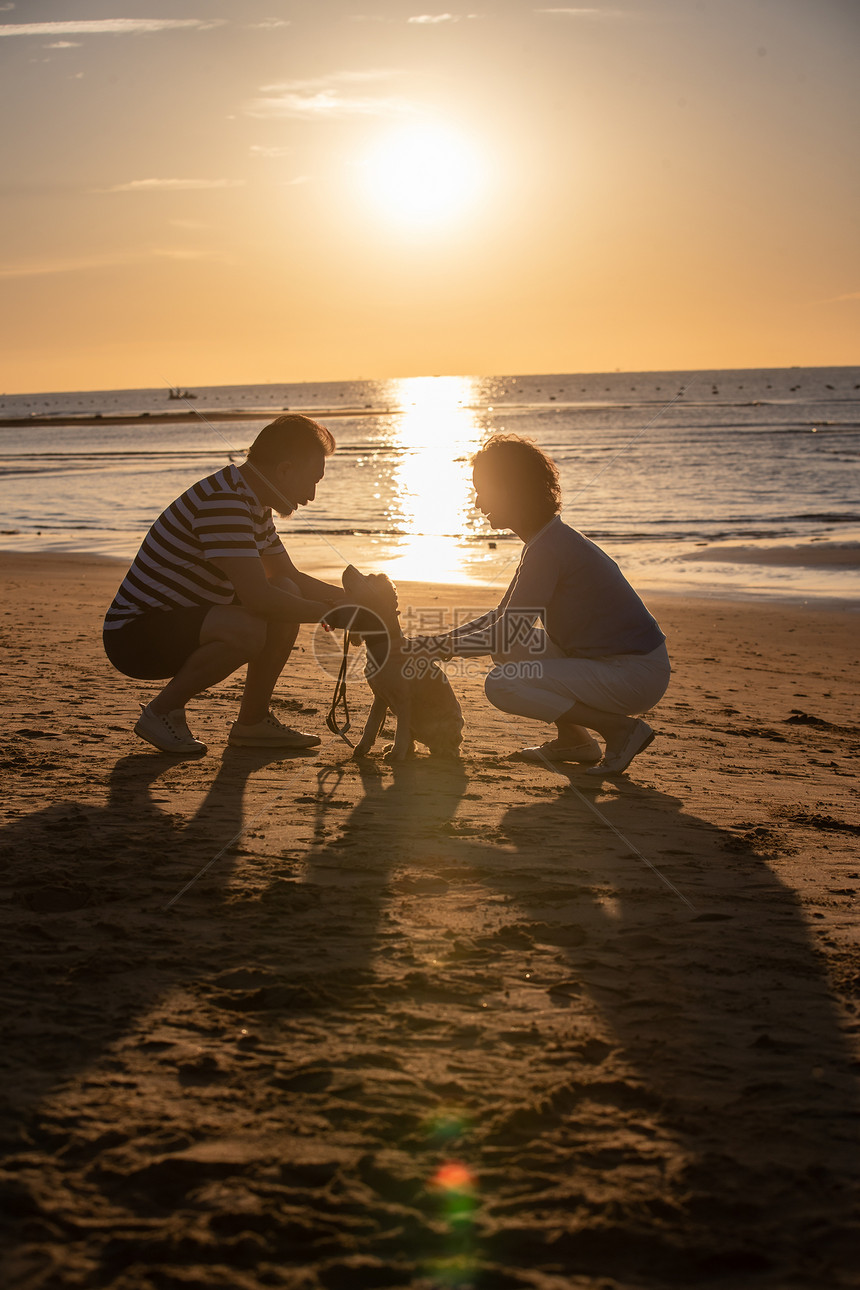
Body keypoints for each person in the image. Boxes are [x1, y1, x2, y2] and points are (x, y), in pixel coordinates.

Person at [408, 434, 670, 776]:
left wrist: (439, 648)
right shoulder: (545, 541)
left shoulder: (548, 548)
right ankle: (575, 741)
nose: (477, 502)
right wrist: (432, 644)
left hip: (632, 673)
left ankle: (619, 730)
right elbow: (501, 621)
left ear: (512, 490)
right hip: (614, 663)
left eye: (483, 490)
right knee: (510, 650)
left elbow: (503, 633)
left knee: (502, 684)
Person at [103, 414, 354, 755]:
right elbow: (258, 598)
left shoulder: (251, 501)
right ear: (284, 470)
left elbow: (289, 578)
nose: (311, 495)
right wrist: (337, 614)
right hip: (133, 635)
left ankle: (252, 723)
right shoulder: (224, 501)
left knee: (287, 591)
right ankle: (161, 712)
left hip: (183, 620)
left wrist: (355, 603)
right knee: (249, 628)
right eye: (312, 481)